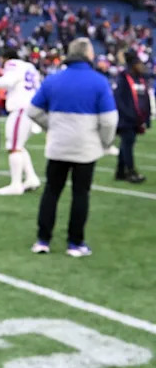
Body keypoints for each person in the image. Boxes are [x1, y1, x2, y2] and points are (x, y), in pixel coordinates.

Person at [26, 38, 118, 257]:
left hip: (58, 145)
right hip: (86, 148)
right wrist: (105, 142)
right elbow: (109, 120)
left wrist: (52, 126)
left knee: (51, 192)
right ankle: (75, 243)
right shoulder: (99, 82)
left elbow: (33, 111)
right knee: (80, 194)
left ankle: (43, 240)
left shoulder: (53, 79)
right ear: (87, 54)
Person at [0, 47, 41, 195]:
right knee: (19, 146)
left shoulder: (13, 65)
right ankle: (31, 178)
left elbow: (8, 80)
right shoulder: (29, 66)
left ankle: (16, 184)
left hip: (21, 109)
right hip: (31, 108)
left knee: (14, 146)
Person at [114, 50, 150, 183]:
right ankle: (130, 171)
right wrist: (129, 115)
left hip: (137, 118)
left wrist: (146, 117)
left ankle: (120, 172)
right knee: (128, 143)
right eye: (139, 63)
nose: (141, 66)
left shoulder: (141, 78)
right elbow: (119, 99)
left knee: (126, 144)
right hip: (126, 119)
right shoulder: (123, 78)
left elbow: (145, 98)